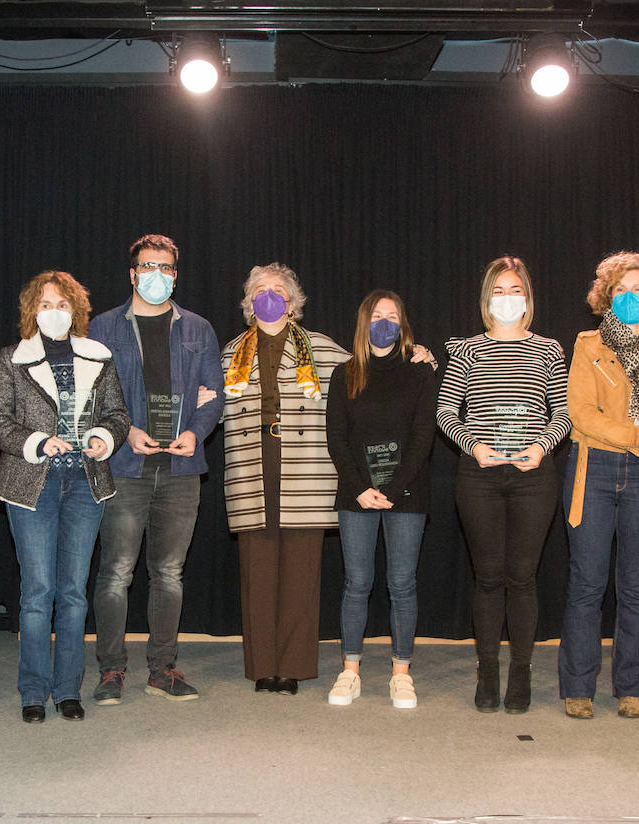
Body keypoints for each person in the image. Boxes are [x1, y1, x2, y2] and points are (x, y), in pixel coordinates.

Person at [0, 271, 130, 723]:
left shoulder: (99, 357)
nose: (53, 312)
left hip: (85, 486)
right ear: (32, 311)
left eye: (62, 304)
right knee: (37, 592)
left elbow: (118, 414)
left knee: (72, 593)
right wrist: (37, 442)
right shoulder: (12, 359)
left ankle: (68, 689)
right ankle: (33, 690)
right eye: (45, 304)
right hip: (31, 487)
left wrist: (106, 436)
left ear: (76, 312)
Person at [88, 234, 224, 705]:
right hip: (125, 466)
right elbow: (94, 396)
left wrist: (197, 432)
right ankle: (110, 670)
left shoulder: (198, 329)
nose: (157, 276)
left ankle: (162, 668)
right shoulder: (102, 328)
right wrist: (125, 430)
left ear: (175, 274)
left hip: (182, 468)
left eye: (166, 268)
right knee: (117, 573)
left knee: (169, 573)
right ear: (132, 273)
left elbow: (214, 393)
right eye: (149, 267)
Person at [437, 255, 570, 714]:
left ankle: (522, 670)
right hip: (480, 476)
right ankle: (488, 668)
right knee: (489, 577)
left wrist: (544, 446)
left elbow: (564, 413)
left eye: (516, 290)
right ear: (486, 298)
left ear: (527, 298)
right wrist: (473, 446)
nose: (508, 298)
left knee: (523, 577)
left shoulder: (549, 349)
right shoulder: (467, 350)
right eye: (499, 290)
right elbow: (446, 413)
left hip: (534, 477)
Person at [559, 252, 639, 720]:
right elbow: (582, 413)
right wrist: (637, 434)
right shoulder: (587, 344)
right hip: (592, 470)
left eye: (638, 289)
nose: (629, 297)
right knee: (587, 583)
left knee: (637, 584)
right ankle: (578, 686)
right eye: (620, 290)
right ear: (606, 297)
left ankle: (632, 686)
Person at [220, 263, 350, 694]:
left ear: (292, 303)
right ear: (248, 302)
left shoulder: (325, 350)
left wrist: (415, 356)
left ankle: (291, 665)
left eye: (278, 290)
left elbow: (370, 380)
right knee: (257, 572)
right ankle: (263, 666)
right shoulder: (229, 354)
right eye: (260, 290)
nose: (269, 296)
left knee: (300, 572)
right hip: (252, 469)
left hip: (305, 471)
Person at [324, 290, 436, 709]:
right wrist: (359, 488)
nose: (384, 322)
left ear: (403, 325)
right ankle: (350, 671)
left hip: (406, 494)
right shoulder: (344, 374)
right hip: (355, 495)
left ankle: (401, 673)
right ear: (363, 322)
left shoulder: (421, 373)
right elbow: (336, 438)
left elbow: (424, 437)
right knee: (357, 583)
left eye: (392, 316)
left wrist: (390, 489)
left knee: (402, 583)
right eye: (376, 315)